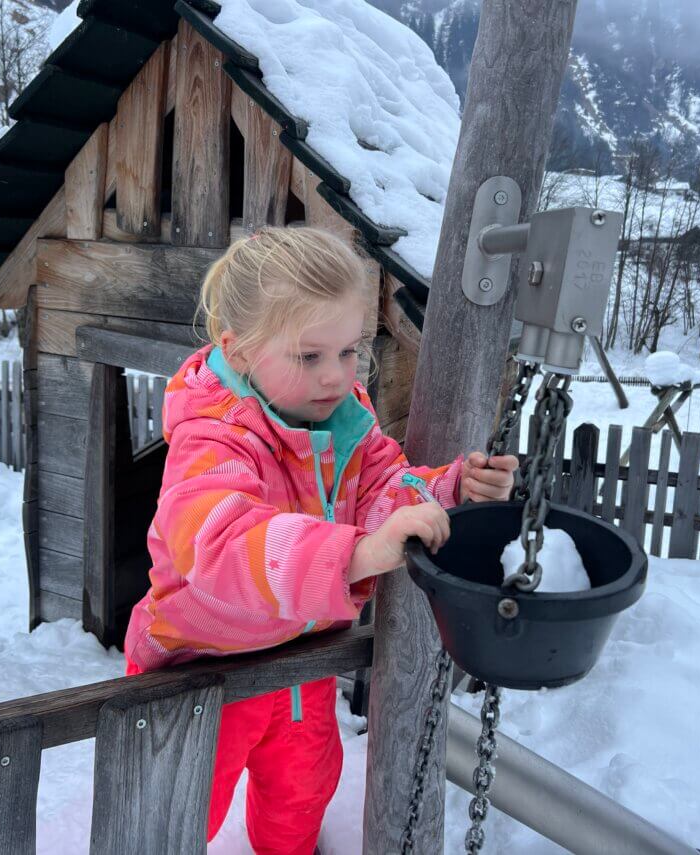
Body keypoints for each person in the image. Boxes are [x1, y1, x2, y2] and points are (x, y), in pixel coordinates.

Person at [123, 226, 518, 855]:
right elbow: (220, 545)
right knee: (172, 814)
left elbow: (384, 484)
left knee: (301, 797)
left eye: (349, 351)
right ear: (240, 350)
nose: (336, 376)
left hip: (301, 662)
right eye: (310, 356)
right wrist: (358, 554)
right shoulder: (214, 437)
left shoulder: (341, 419)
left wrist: (447, 492)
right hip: (199, 671)